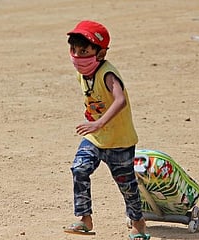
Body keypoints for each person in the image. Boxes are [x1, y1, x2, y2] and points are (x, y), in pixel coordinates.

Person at [63, 20, 150, 240]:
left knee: (126, 185)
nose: (76, 55)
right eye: (74, 49)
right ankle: (85, 219)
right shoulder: (83, 72)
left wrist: (98, 123)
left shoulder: (107, 73)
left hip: (119, 140)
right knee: (79, 168)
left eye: (84, 51)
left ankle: (138, 222)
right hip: (95, 137)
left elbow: (119, 100)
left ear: (100, 54)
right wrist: (95, 126)